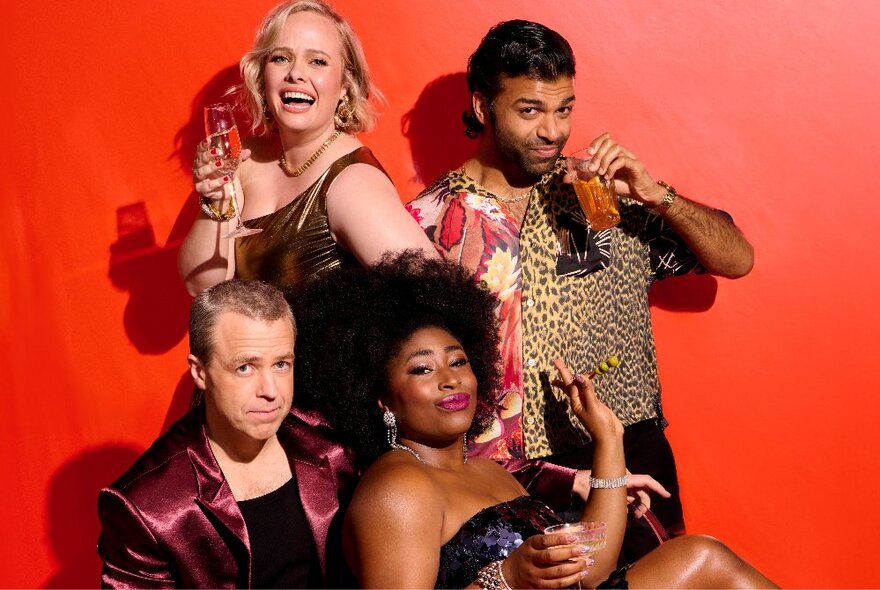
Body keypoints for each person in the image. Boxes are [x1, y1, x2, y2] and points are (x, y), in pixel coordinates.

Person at [406, 19, 755, 550]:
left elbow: (736, 258)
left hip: (629, 449)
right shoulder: (428, 224)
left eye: (564, 108)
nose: (553, 130)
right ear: (483, 108)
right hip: (510, 471)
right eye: (530, 110)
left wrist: (656, 194)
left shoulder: (597, 192)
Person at [296, 251, 775, 589]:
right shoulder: (397, 489)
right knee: (702, 559)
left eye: (458, 362)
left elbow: (591, 572)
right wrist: (503, 579)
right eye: (422, 369)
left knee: (700, 557)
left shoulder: (487, 472)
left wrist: (606, 436)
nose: (450, 380)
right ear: (381, 398)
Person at [97, 280, 352, 588]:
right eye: (245, 368)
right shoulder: (146, 508)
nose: (271, 391)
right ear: (199, 372)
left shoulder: (333, 445)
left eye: (281, 364)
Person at [179, 0, 435, 297]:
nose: (295, 74)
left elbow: (433, 297)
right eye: (281, 58)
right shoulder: (244, 160)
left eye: (318, 61)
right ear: (262, 77)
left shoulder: (353, 183)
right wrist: (216, 201)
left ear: (344, 86)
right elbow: (202, 286)